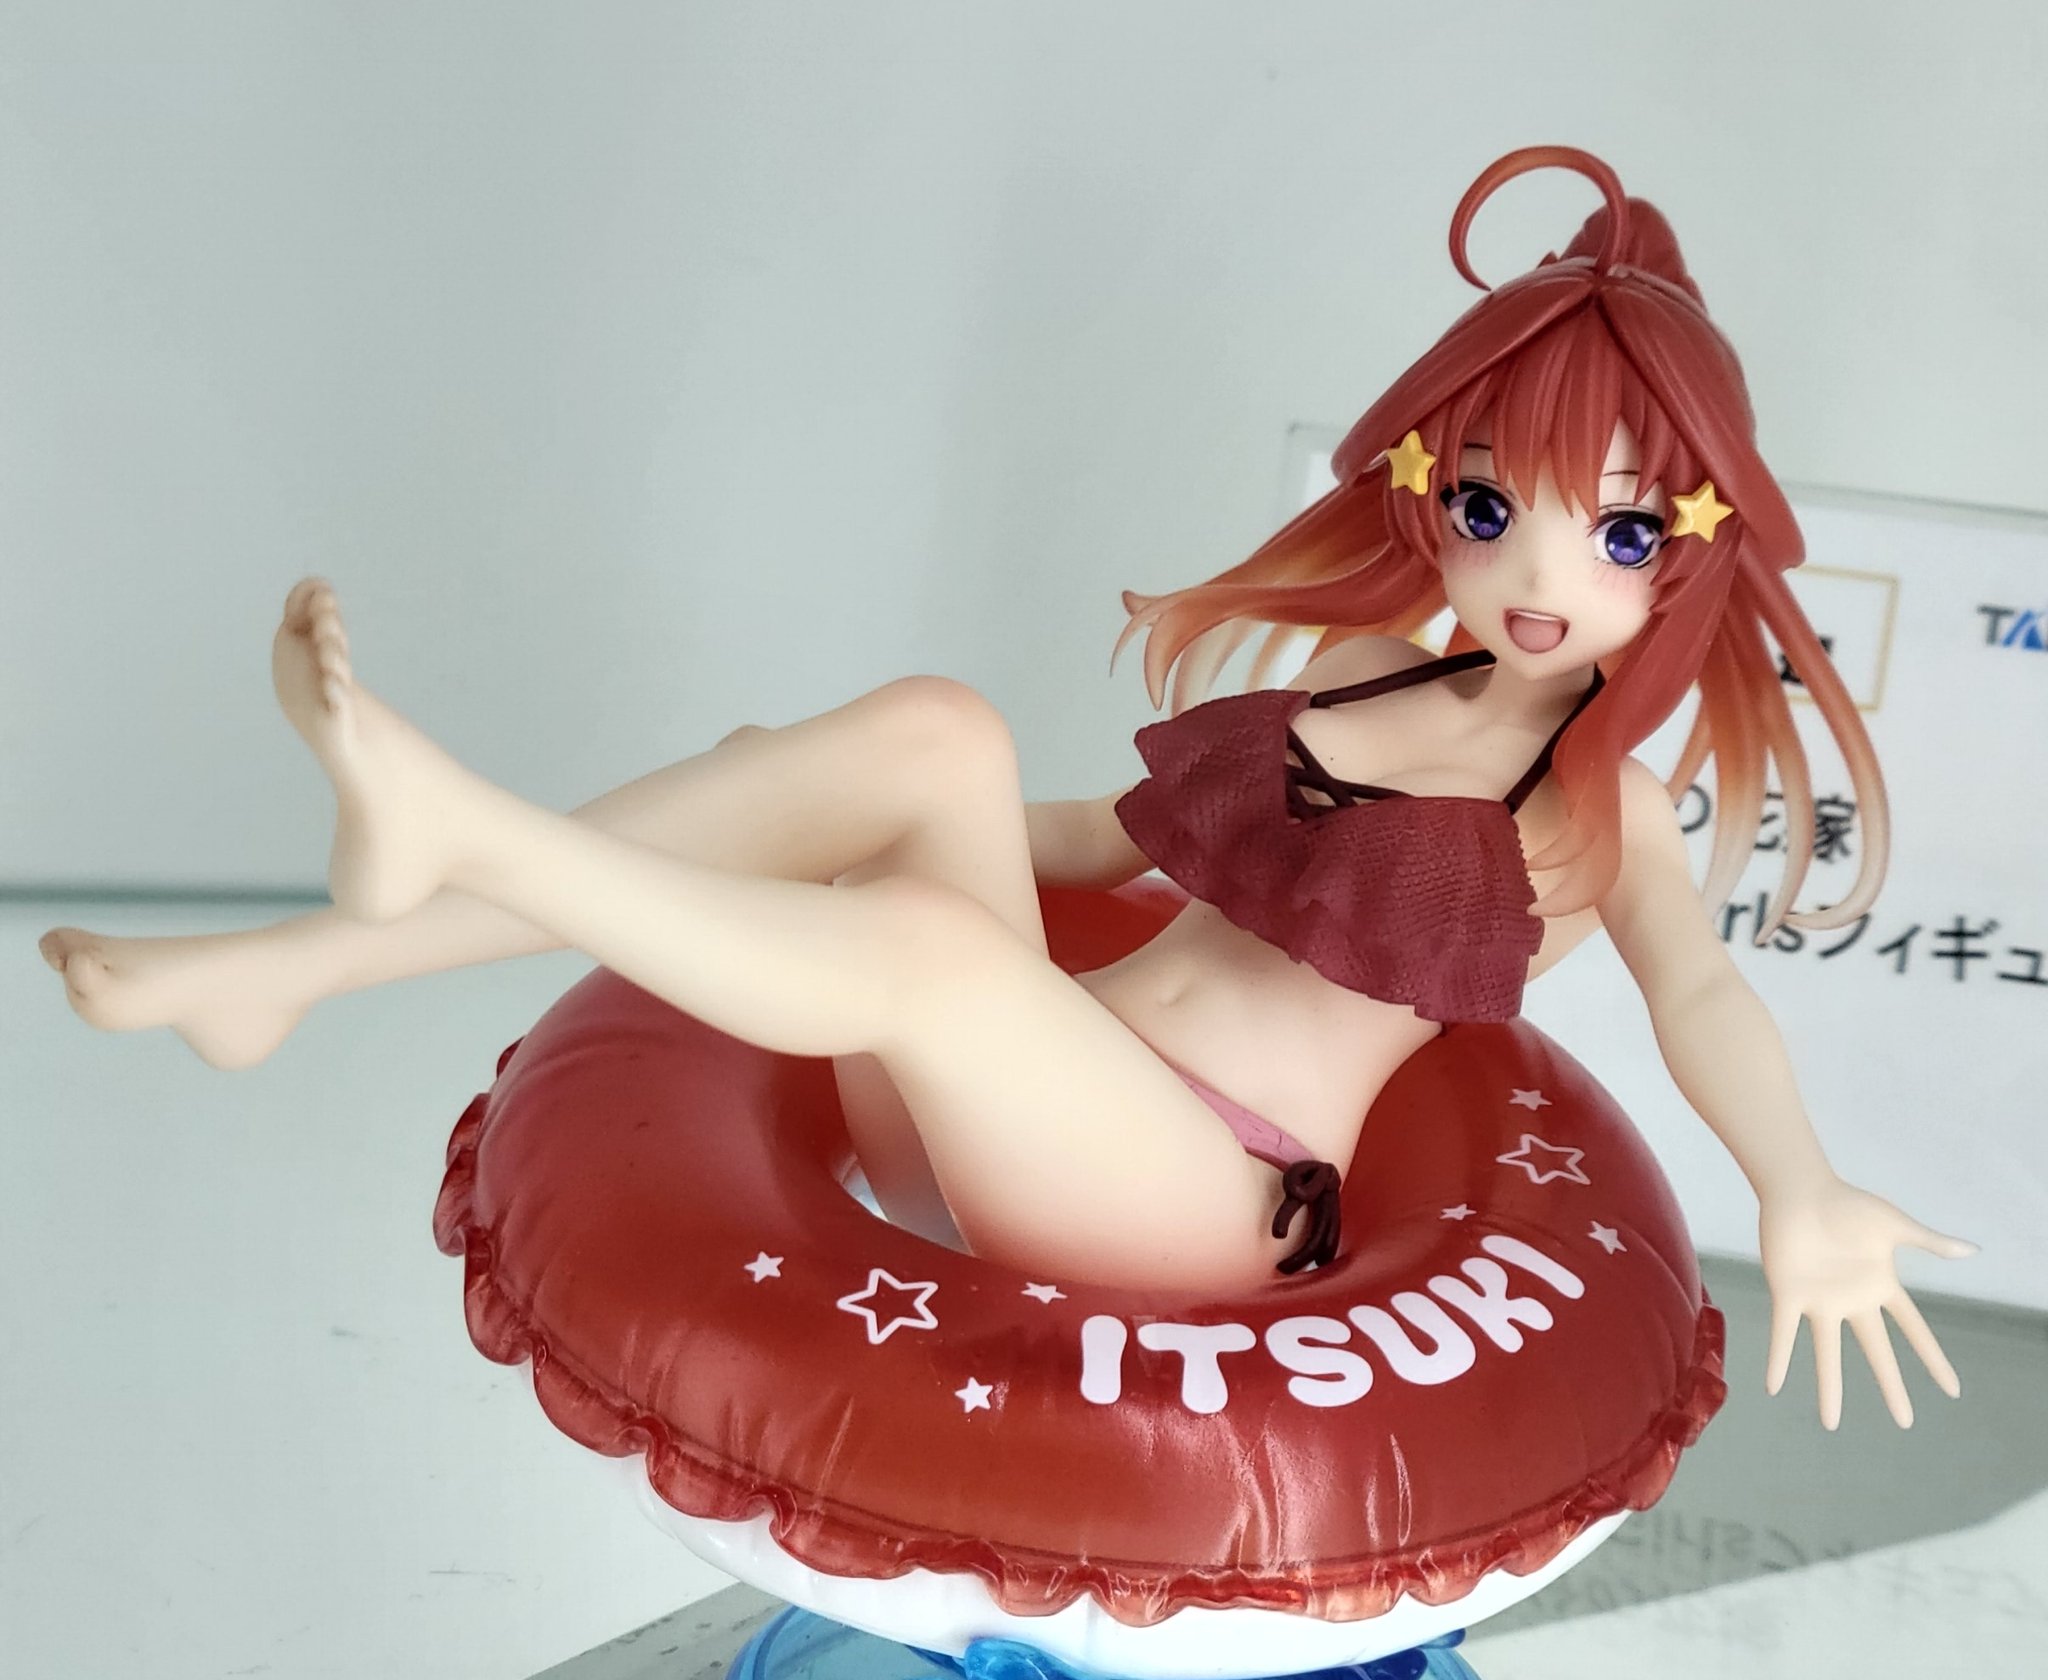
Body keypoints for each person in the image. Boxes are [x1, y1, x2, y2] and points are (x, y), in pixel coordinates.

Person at [41, 145, 1970, 1430]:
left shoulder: (1601, 814)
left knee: (928, 953)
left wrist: (1799, 1188)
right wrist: (862, 801)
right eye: (1489, 507)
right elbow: (1099, 846)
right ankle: (291, 966)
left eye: (1620, 534)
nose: (1541, 575)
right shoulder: (1363, 673)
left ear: (1693, 553)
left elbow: (1704, 999)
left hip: (1198, 1199)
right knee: (939, 730)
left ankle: (462, 828)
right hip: (1015, 1102)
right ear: (1424, 495)